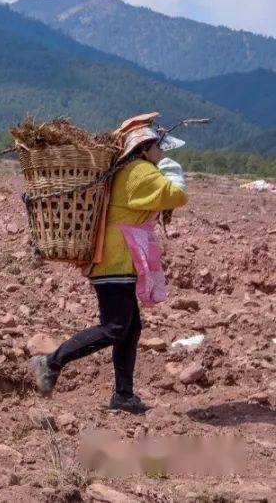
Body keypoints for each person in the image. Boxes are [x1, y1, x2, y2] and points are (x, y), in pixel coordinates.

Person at [31, 117, 188, 414]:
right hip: (115, 259)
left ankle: (124, 395)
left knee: (130, 328)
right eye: (159, 148)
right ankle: (50, 362)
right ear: (145, 148)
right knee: (116, 327)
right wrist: (171, 170)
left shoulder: (130, 170)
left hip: (119, 259)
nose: (163, 153)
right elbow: (175, 194)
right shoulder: (139, 172)